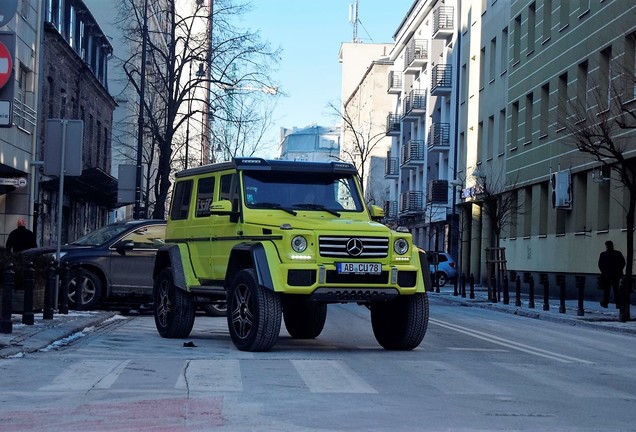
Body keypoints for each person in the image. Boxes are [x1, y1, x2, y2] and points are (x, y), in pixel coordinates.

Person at [598, 240, 625, 308]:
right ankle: (618, 303)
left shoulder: (603, 254)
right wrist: (619, 270)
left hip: (607, 275)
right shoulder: (618, 253)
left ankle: (605, 303)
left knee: (606, 289)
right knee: (616, 289)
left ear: (606, 246)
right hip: (616, 274)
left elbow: (600, 265)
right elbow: (623, 262)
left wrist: (604, 272)